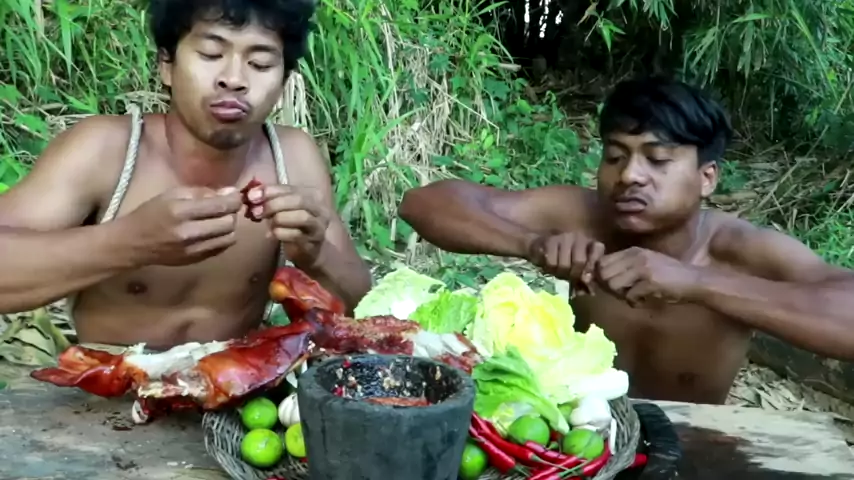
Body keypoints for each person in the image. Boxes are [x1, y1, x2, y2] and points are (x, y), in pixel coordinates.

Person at [399, 76, 854, 404]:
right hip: (582, 434)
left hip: (691, 442)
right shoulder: (581, 216)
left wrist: (695, 283)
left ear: (707, 177)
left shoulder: (740, 250)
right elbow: (423, 203)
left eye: (658, 160)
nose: (630, 175)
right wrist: (532, 244)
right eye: (615, 156)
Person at [0, 0, 372, 351]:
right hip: (105, 386)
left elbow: (361, 306)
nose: (234, 79)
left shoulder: (292, 158)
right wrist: (129, 242)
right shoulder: (106, 150)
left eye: (260, 64)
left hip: (233, 384)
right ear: (167, 64)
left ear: (283, 81)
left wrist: (316, 254)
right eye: (210, 54)